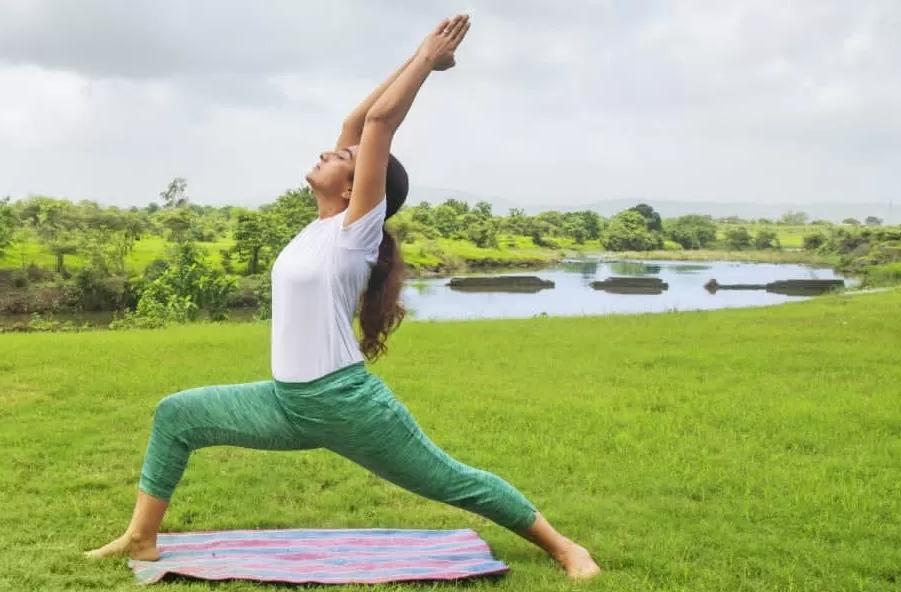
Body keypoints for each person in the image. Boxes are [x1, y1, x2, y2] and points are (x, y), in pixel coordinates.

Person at [84, 14, 601, 581]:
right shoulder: (321, 228)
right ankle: (142, 536)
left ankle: (563, 547)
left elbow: (379, 123)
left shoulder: (357, 232)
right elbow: (358, 120)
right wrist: (415, 55)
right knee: (177, 414)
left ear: (359, 189)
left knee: (450, 480)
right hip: (287, 403)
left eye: (344, 159)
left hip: (347, 405)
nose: (331, 153)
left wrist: (428, 60)